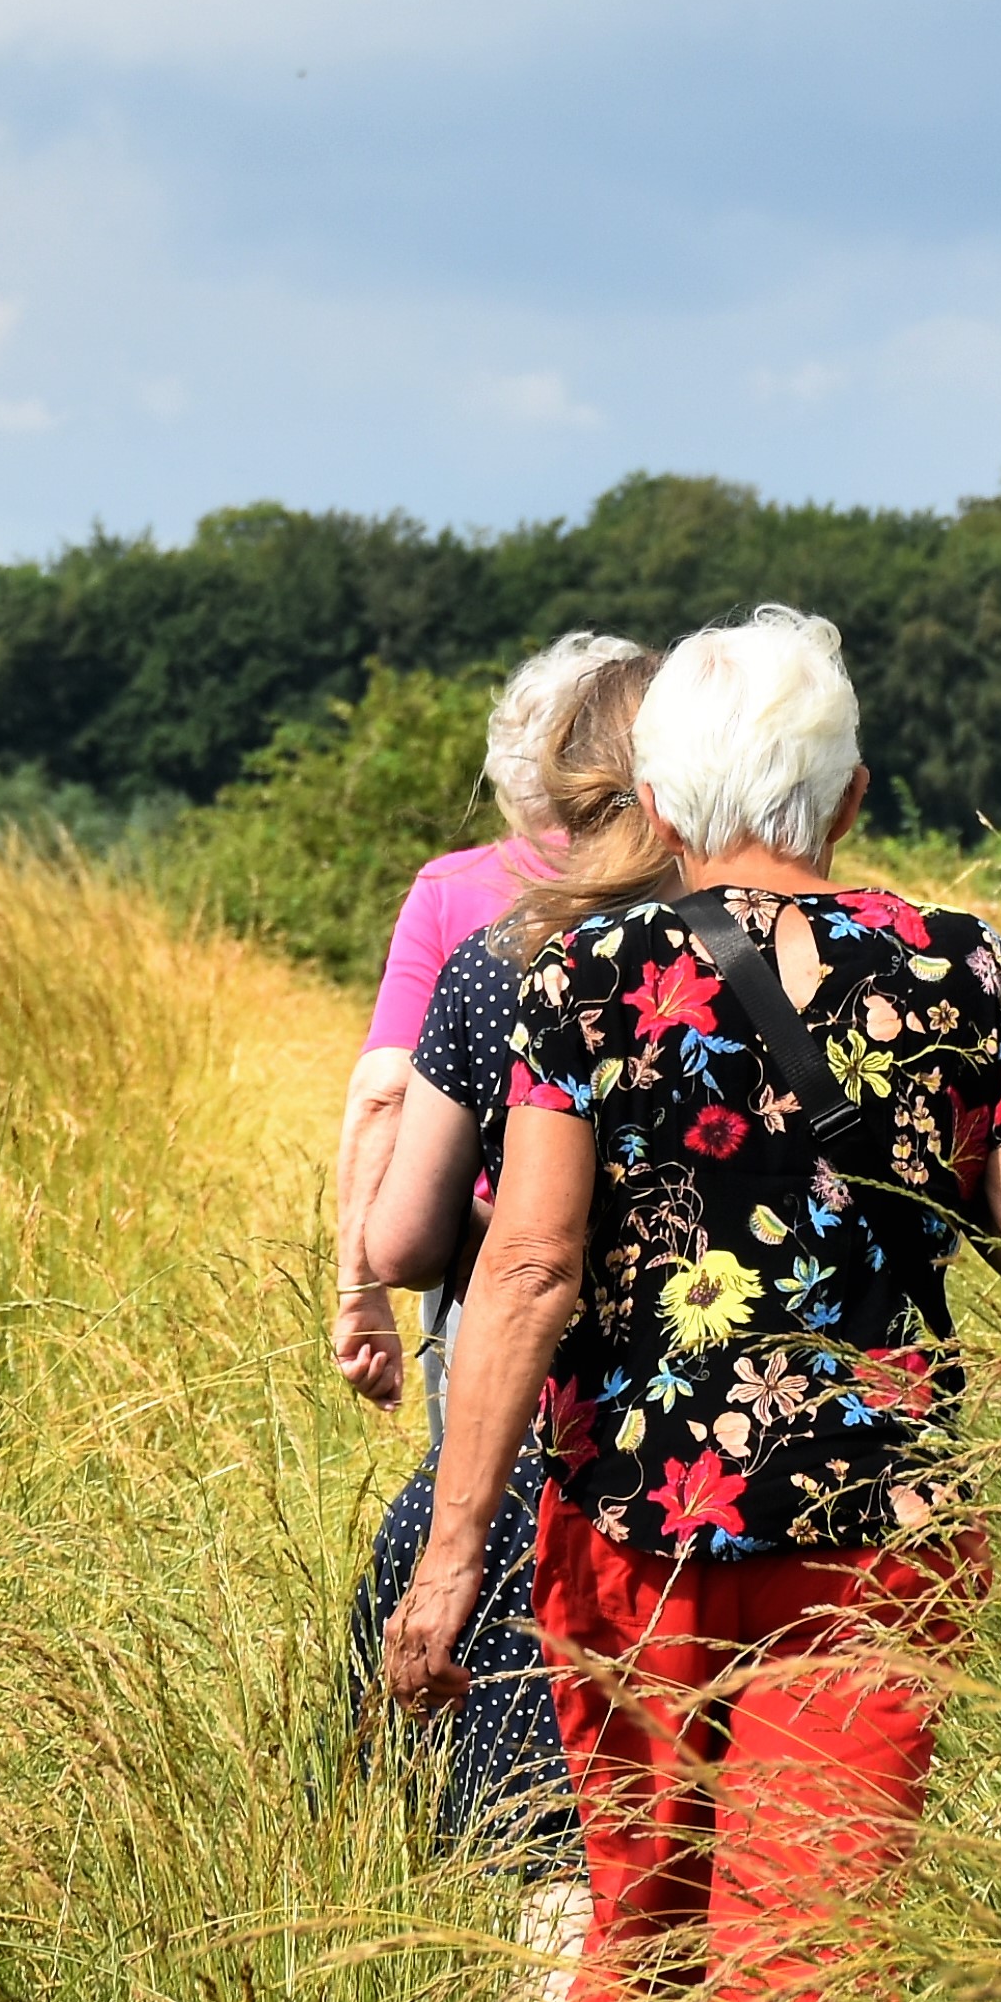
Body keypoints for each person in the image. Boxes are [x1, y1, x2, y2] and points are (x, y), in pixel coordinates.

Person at [382, 606, 1001, 2002]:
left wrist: (450, 1552)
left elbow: (527, 1268)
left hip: (631, 1524)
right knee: (807, 1946)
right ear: (846, 793)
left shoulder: (581, 975)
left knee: (637, 1926)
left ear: (663, 799)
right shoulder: (962, 965)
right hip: (873, 1528)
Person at [337, 641, 669, 1880]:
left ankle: (533, 1964)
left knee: (548, 1806)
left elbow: (411, 1230)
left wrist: (368, 1280)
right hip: (797, 1471)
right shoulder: (869, 955)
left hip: (554, 1434)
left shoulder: (506, 958)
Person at [329, 631, 646, 1410]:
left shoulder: (452, 889)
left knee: (484, 1473)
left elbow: (385, 1092)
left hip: (490, 1260)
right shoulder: (692, 885)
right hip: (674, 1261)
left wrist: (360, 1288)